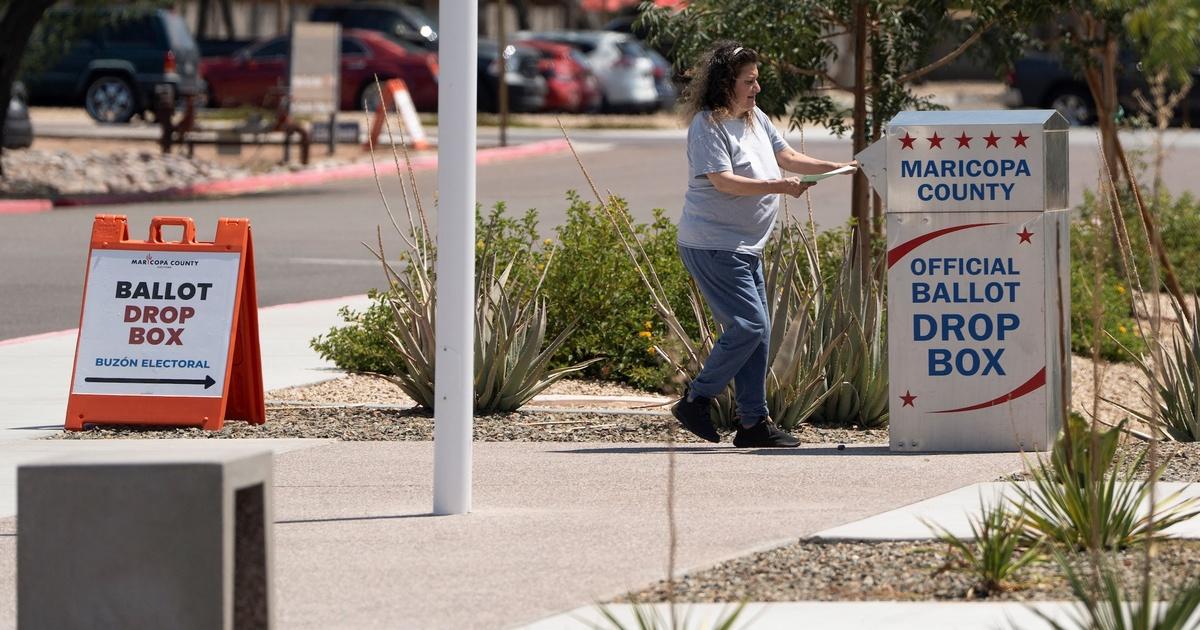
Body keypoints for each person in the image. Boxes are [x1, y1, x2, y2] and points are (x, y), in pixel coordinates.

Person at [671, 41, 856, 448]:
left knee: (759, 333)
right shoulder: (708, 125)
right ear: (725, 84)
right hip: (714, 244)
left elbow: (786, 155)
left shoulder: (755, 117)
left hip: (744, 245)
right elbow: (723, 181)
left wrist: (836, 167)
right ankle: (696, 400)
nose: (756, 89)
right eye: (748, 81)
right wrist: (778, 186)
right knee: (748, 326)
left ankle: (753, 424)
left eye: (757, 80)